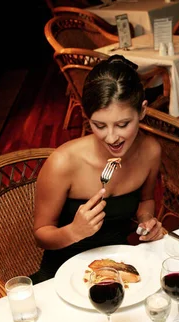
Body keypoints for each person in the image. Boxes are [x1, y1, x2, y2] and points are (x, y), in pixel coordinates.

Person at [31, 55, 164, 283]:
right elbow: (41, 234)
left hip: (118, 270)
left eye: (123, 124)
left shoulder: (150, 151)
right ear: (86, 116)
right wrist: (73, 231)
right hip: (62, 274)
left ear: (142, 111)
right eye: (99, 125)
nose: (112, 137)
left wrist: (146, 220)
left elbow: (146, 200)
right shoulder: (63, 162)